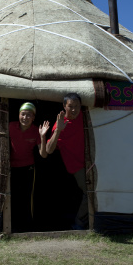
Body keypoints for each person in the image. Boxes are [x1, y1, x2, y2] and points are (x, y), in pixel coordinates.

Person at [46, 93, 88, 229]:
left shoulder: (85, 114)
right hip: (77, 166)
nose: (74, 110)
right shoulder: (60, 124)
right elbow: (48, 150)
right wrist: (58, 130)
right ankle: (79, 223)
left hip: (91, 161)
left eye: (77, 106)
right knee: (89, 192)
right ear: (64, 106)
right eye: (70, 106)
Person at [9, 102, 50, 232]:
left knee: (27, 197)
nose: (25, 118)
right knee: (12, 195)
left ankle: (28, 226)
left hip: (28, 168)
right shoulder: (10, 126)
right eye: (23, 114)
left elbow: (43, 154)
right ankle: (12, 224)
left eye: (29, 115)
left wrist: (43, 136)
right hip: (11, 167)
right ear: (19, 115)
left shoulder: (35, 131)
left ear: (33, 118)